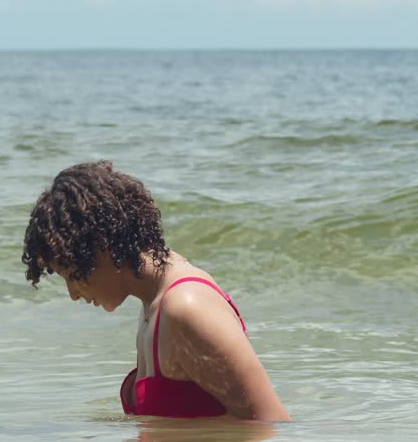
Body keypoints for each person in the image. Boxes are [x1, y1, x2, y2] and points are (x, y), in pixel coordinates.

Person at [22, 161, 291, 422]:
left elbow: (270, 423)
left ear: (101, 247)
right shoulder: (152, 303)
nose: (73, 294)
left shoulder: (186, 307)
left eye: (71, 275)